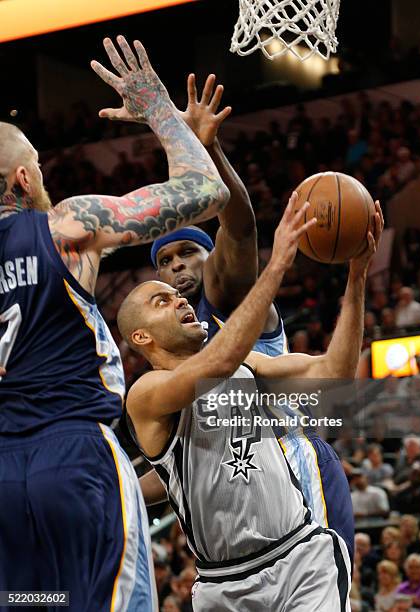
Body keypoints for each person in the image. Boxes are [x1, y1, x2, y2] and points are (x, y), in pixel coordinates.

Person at [0, 36, 229, 610]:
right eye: (38, 166)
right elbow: (206, 190)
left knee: (34, 603)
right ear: (23, 181)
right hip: (75, 457)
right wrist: (157, 109)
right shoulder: (63, 226)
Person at [143, 73, 379, 563]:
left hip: (297, 470)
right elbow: (177, 470)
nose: (176, 266)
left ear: (211, 259)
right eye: (164, 263)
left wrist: (208, 153)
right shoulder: (174, 361)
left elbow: (242, 225)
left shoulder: (227, 297)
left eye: (188, 252)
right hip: (247, 503)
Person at [118, 194, 383, 610]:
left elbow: (335, 375)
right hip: (223, 582)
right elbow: (217, 361)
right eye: (162, 300)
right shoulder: (147, 394)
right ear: (140, 337)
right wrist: (276, 264)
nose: (180, 298)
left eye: (177, 296)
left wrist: (357, 275)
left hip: (301, 557)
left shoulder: (246, 362)